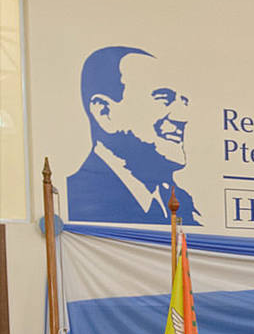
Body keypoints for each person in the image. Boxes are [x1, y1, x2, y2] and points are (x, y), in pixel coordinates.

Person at [67, 47, 200, 226]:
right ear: (104, 112)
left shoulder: (184, 205)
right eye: (163, 99)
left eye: (184, 102)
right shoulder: (79, 197)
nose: (183, 118)